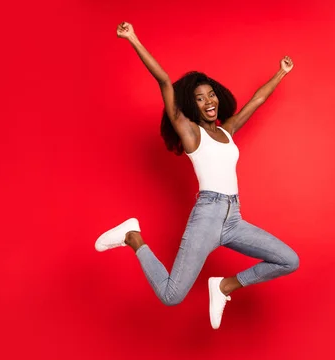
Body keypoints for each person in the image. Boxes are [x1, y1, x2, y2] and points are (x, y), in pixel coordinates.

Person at [95, 21, 299, 329]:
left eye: (211, 95)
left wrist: (281, 72)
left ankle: (224, 286)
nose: (209, 102)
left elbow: (256, 101)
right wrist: (133, 38)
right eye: (200, 98)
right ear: (191, 104)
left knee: (288, 260)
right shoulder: (190, 134)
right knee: (171, 295)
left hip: (233, 218)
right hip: (207, 216)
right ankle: (132, 236)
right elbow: (164, 81)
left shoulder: (227, 131)